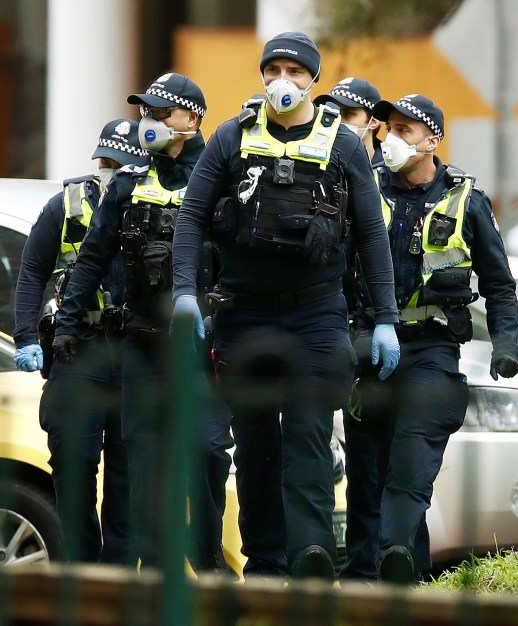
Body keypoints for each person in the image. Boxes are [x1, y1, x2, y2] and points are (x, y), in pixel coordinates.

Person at [170, 32, 401, 581]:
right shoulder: (231, 137)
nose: (283, 81)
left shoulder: (342, 144)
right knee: (255, 445)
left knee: (308, 437)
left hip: (316, 315)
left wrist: (387, 318)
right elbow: (191, 219)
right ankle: (266, 563)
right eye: (273, 69)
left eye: (296, 72)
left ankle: (311, 555)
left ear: (314, 82)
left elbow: (371, 233)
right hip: (245, 315)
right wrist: (184, 292)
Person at [51, 73, 234, 572]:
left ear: (191, 120)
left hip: (203, 349)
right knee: (147, 467)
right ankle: (156, 576)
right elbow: (91, 259)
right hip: (143, 348)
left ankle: (206, 552)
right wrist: (67, 324)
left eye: (159, 113)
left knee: (209, 450)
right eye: (145, 113)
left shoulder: (221, 181)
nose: (146, 122)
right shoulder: (131, 182)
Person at [362, 93, 518, 584]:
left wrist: (506, 344)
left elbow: (498, 282)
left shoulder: (465, 201)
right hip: (371, 345)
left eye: (406, 130)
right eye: (388, 128)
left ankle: (390, 560)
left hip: (432, 348)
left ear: (432, 139)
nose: (392, 139)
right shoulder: (364, 189)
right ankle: (416, 579)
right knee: (378, 473)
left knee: (411, 463)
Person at [12, 118, 147, 564]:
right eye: (107, 162)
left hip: (133, 350)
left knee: (129, 477)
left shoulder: (150, 202)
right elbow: (32, 271)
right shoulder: (66, 205)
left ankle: (122, 580)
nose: (112, 170)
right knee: (72, 463)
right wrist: (26, 335)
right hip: (77, 347)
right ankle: (80, 569)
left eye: (121, 163)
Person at [313, 76, 392, 581]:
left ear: (374, 124)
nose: (339, 121)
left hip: (374, 333)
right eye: (333, 111)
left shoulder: (390, 177)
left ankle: (374, 568)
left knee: (374, 464)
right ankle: (325, 558)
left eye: (351, 113)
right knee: (319, 448)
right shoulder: (322, 166)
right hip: (324, 323)